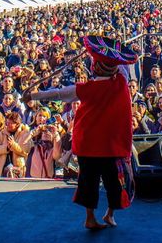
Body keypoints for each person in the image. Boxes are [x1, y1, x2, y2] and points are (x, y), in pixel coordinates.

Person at [26, 36, 137, 230]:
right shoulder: (121, 82)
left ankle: (90, 218)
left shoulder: (86, 88)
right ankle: (109, 215)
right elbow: (121, 65)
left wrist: (34, 95)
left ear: (96, 68)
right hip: (111, 145)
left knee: (88, 182)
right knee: (114, 183)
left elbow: (58, 93)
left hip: (89, 145)